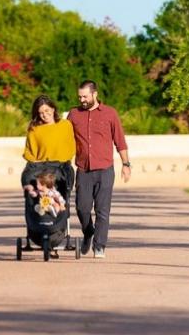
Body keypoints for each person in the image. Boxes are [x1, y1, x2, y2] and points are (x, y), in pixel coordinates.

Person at [67, 80, 131, 259]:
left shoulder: (110, 114)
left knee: (102, 210)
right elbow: (66, 140)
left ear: (94, 94)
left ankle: (99, 245)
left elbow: (120, 141)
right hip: (83, 170)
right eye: (79, 97)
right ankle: (88, 232)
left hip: (105, 170)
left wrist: (126, 165)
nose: (82, 100)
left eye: (85, 96)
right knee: (82, 208)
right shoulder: (73, 114)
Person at [20, 95, 76, 246]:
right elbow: (29, 151)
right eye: (41, 112)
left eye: (47, 110)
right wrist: (36, 163)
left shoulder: (65, 125)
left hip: (60, 168)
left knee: (60, 196)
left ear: (53, 108)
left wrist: (61, 161)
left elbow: (71, 147)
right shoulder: (34, 129)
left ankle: (57, 230)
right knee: (36, 198)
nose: (45, 114)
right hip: (40, 170)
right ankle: (37, 229)